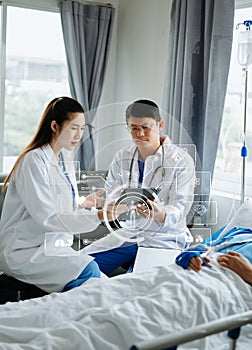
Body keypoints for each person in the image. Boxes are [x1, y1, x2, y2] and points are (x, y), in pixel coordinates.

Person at [0, 96, 126, 294]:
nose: (79, 135)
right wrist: (99, 215)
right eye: (74, 128)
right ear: (54, 126)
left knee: (106, 284)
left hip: (52, 247)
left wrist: (83, 203)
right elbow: (48, 217)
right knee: (90, 272)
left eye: (82, 129)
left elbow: (59, 206)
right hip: (24, 251)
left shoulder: (64, 159)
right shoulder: (34, 160)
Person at [90, 99, 196, 275]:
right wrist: (115, 205)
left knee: (136, 283)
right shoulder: (122, 157)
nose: (140, 134)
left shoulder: (181, 160)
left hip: (164, 237)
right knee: (82, 267)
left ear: (160, 125)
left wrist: (159, 213)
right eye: (134, 128)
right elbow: (111, 192)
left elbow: (181, 206)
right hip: (130, 233)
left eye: (146, 127)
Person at [175, 225, 252, 285]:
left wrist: (249, 274)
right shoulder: (239, 232)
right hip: (190, 273)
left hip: (228, 285)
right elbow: (199, 248)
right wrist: (191, 256)